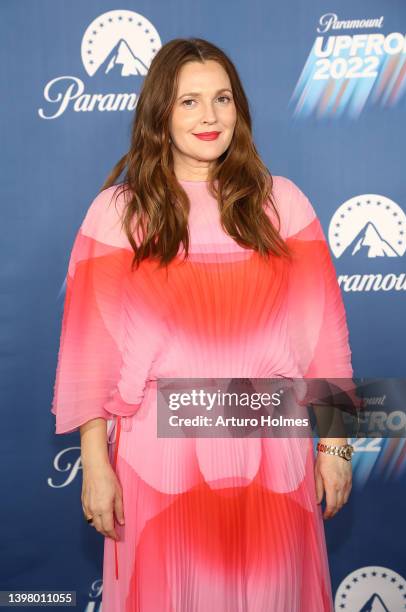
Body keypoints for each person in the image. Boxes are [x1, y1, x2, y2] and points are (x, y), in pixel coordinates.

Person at [51, 37, 354, 612]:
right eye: (189, 102)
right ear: (160, 114)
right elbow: (89, 353)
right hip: (160, 459)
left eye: (222, 99)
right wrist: (95, 462)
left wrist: (335, 447)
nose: (209, 116)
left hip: (274, 451)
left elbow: (324, 342)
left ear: (239, 110)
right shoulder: (119, 214)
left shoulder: (283, 204)